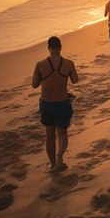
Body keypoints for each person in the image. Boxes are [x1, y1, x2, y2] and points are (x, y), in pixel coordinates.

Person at [32, 36, 78, 173]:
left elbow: (34, 85)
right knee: (62, 133)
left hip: (46, 103)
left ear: (48, 48)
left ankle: (53, 165)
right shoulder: (69, 63)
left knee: (49, 135)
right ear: (61, 47)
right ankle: (60, 156)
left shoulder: (40, 64)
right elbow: (75, 80)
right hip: (62, 103)